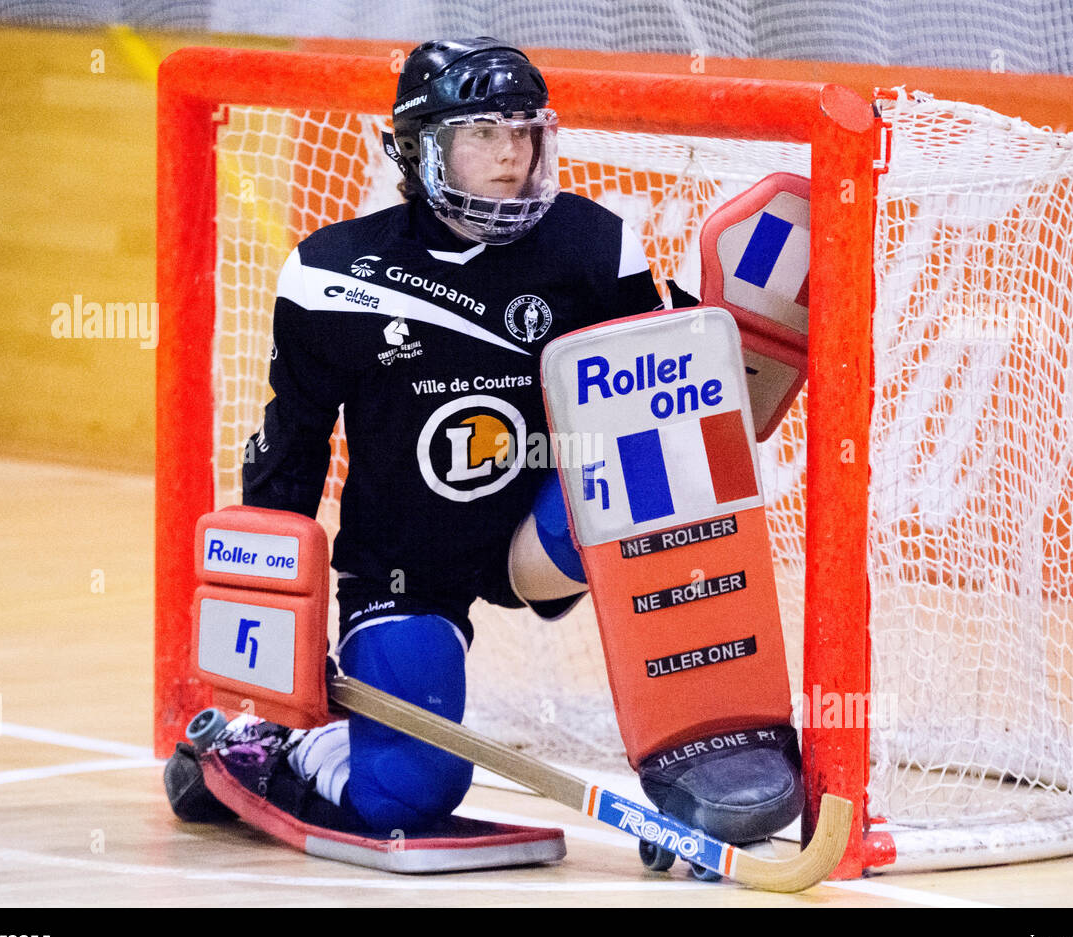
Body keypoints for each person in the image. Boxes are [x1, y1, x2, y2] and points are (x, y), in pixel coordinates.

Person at [166, 37, 800, 846]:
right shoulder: (331, 277)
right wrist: (278, 652)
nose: (511, 156)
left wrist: (744, 347)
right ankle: (285, 746)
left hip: (542, 539)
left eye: (525, 131)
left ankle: (700, 747)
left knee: (644, 454)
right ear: (417, 148)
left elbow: (676, 386)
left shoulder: (594, 248)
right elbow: (289, 460)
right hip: (403, 567)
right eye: (482, 135)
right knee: (405, 797)